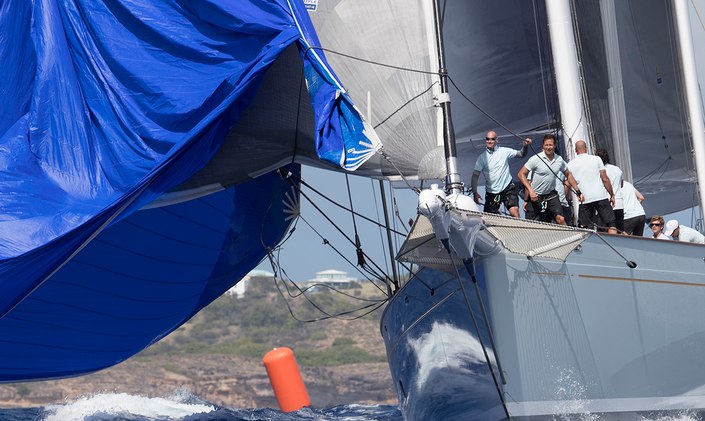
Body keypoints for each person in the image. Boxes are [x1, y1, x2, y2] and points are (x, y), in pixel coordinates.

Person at [518, 134, 582, 225]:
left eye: (551, 145)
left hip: (551, 195)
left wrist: (578, 192)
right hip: (536, 195)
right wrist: (530, 191)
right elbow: (521, 174)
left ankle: (568, 236)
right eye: (546, 145)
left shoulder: (559, 159)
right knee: (530, 224)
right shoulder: (535, 159)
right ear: (543, 146)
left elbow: (569, 175)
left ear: (554, 146)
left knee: (560, 218)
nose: (549, 147)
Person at [471, 131, 531, 217]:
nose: (489, 141)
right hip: (492, 192)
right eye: (487, 139)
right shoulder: (481, 158)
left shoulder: (504, 151)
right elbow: (475, 176)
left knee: (515, 211)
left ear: (497, 140)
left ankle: (519, 229)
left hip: (507, 187)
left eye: (492, 139)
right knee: (488, 218)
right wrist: (474, 193)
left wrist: (525, 146)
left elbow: (521, 154)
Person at [566, 140, 617, 234]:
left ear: (575, 150)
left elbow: (568, 182)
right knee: (611, 223)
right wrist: (612, 195)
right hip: (600, 196)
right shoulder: (596, 159)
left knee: (585, 227)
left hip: (584, 198)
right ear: (586, 148)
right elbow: (604, 178)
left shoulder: (570, 164)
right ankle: (614, 244)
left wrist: (567, 198)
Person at [595, 149, 624, 232]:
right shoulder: (617, 169)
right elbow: (621, 185)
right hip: (619, 204)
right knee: (619, 231)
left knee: (604, 233)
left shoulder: (599, 171)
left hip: (605, 205)